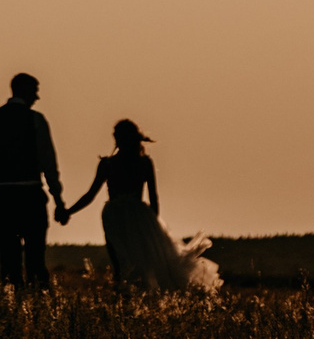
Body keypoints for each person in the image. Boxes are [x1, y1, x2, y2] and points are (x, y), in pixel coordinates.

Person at [60, 119, 219, 292]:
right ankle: (127, 293)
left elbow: (92, 195)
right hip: (128, 216)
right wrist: (69, 211)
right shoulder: (127, 163)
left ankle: (130, 293)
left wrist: (68, 212)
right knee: (131, 261)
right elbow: (92, 195)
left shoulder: (123, 163)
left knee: (129, 262)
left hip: (127, 216)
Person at [0, 72, 69, 288]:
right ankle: (36, 307)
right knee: (36, 258)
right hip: (31, 196)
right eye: (35, 91)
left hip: (3, 197)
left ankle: (13, 305)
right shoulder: (36, 120)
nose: (37, 97)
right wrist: (58, 200)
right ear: (25, 91)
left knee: (9, 260)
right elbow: (49, 164)